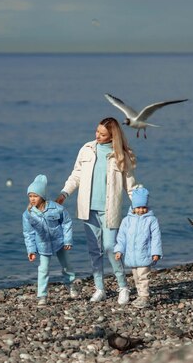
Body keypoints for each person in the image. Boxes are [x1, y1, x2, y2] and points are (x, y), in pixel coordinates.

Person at [56, 117, 137, 304]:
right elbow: (76, 175)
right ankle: (99, 288)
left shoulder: (122, 155)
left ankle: (123, 286)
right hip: (88, 208)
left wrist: (139, 205)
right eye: (97, 132)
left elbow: (130, 184)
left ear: (112, 136)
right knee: (94, 250)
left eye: (102, 134)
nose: (97, 136)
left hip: (110, 210)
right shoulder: (87, 149)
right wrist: (64, 194)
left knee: (110, 248)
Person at [23, 174, 77, 306]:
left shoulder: (56, 208)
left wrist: (67, 240)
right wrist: (31, 250)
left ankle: (71, 285)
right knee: (43, 269)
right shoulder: (28, 214)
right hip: (43, 246)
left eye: (35, 196)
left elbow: (66, 223)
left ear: (42, 196)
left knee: (67, 266)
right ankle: (42, 295)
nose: (32, 199)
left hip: (59, 242)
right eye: (30, 196)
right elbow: (28, 233)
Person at [114, 186, 162, 309]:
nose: (141, 210)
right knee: (136, 277)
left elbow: (156, 237)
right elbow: (122, 237)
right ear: (133, 207)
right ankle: (140, 295)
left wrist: (155, 252)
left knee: (143, 276)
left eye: (143, 207)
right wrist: (119, 250)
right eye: (138, 207)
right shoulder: (126, 221)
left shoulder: (151, 220)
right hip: (131, 256)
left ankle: (145, 297)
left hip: (145, 254)